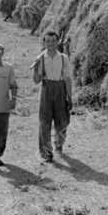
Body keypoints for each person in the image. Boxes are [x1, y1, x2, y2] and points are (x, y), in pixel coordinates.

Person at [31, 30, 72, 164]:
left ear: (58, 42)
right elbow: (36, 80)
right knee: (45, 122)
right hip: (46, 89)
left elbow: (67, 79)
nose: (51, 44)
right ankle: (46, 153)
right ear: (44, 42)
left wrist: (69, 97)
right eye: (48, 41)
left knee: (62, 121)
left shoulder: (63, 58)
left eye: (53, 41)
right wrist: (36, 69)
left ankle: (58, 146)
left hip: (60, 89)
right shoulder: (40, 58)